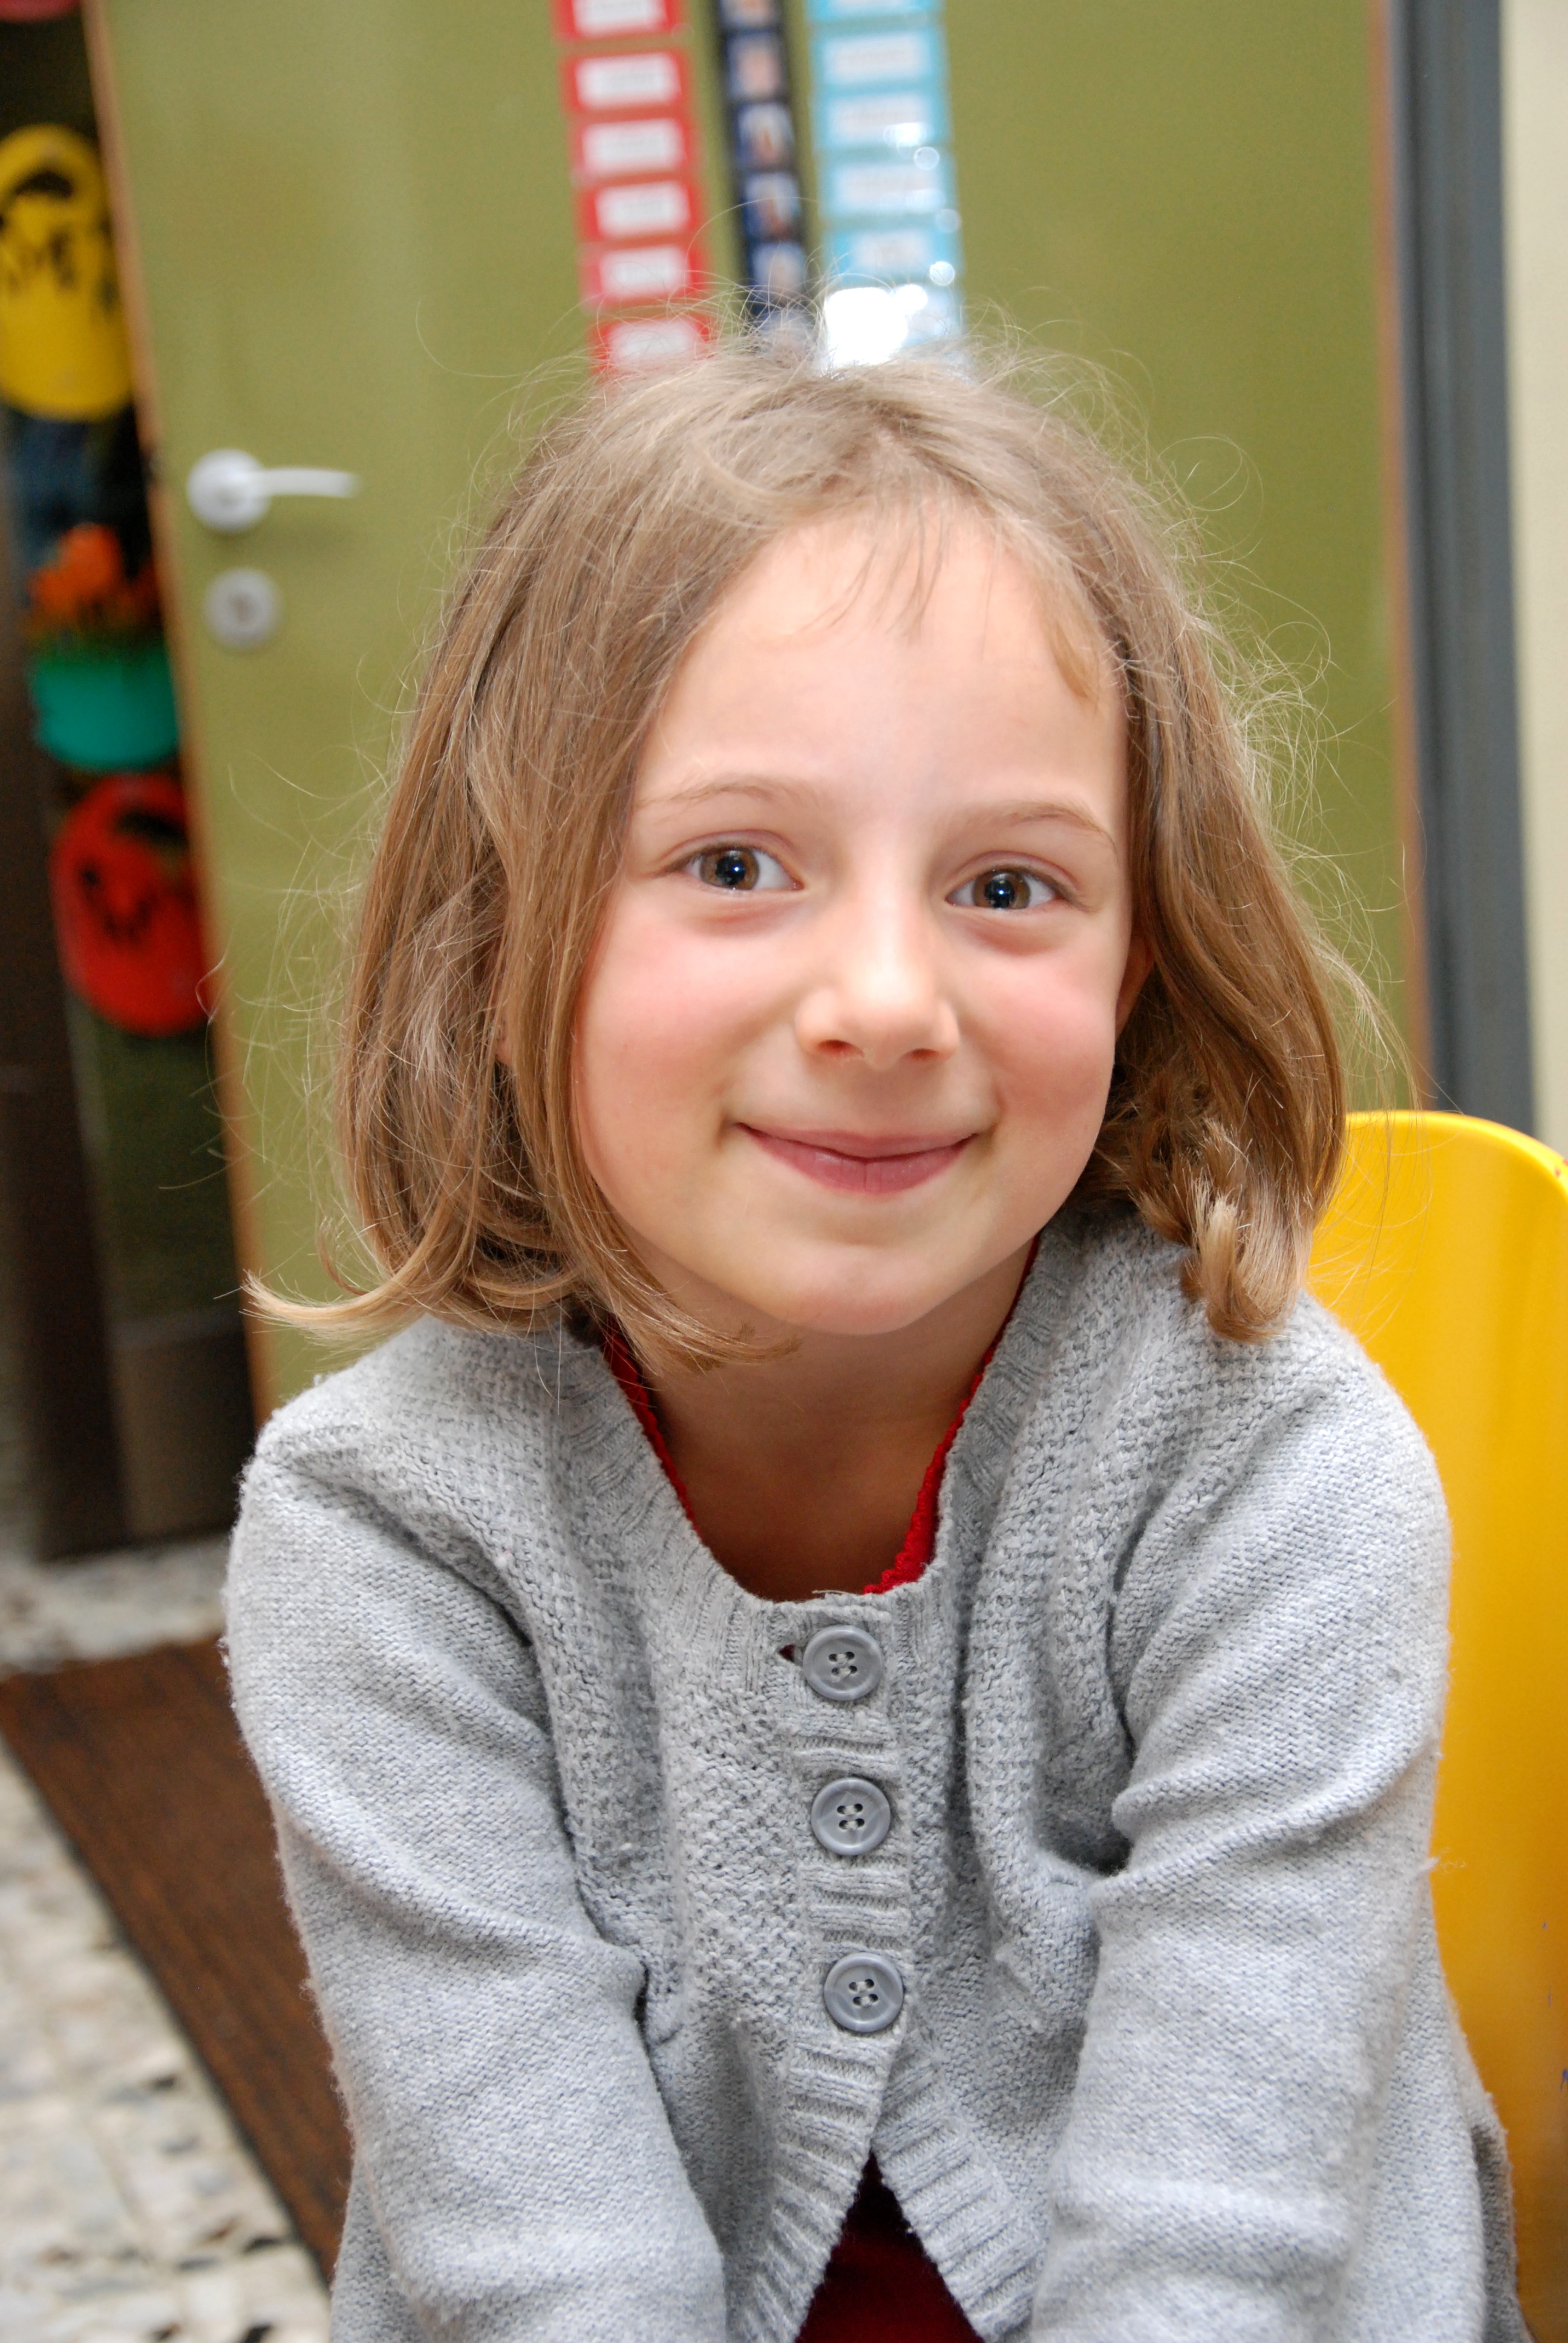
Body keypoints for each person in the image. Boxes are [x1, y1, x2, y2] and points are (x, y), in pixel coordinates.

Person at [226, 349, 1525, 2342]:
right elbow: (544, 2274)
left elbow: (1213, 2259)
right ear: (504, 934)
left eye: (1010, 885)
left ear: (1137, 956)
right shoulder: (379, 1536)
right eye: (736, 864)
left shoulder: (1277, 1474)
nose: (889, 1000)